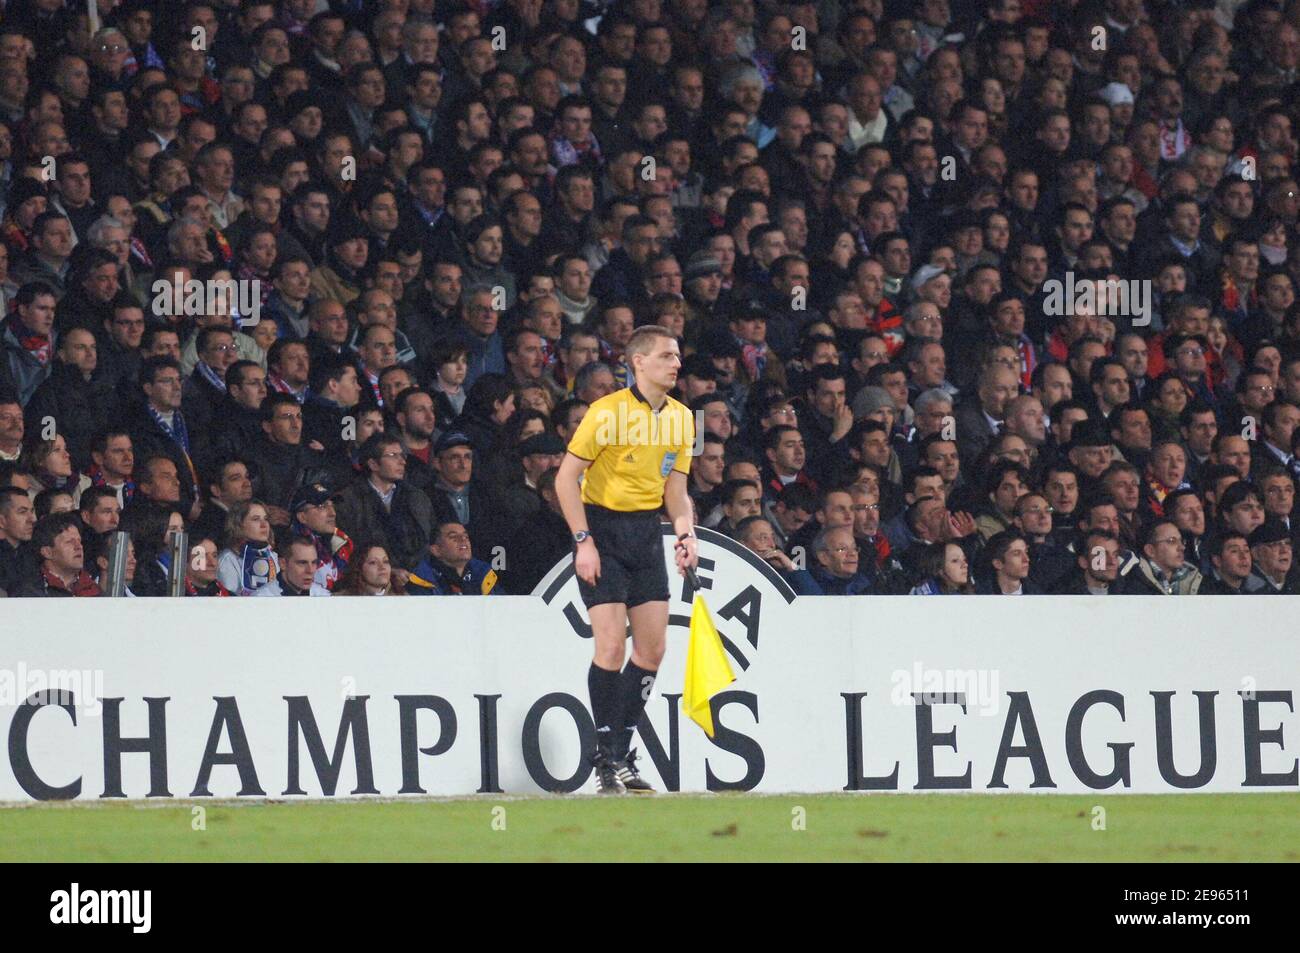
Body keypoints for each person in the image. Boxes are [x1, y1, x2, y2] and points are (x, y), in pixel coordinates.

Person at [554, 324, 697, 794]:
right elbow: (565, 479)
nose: (676, 364)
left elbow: (675, 489)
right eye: (666, 356)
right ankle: (604, 760)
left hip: (644, 533)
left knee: (653, 650)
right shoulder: (607, 412)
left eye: (677, 356)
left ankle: (621, 753)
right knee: (611, 648)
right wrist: (583, 541)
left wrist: (684, 531)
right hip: (603, 529)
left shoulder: (681, 417)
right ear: (638, 362)